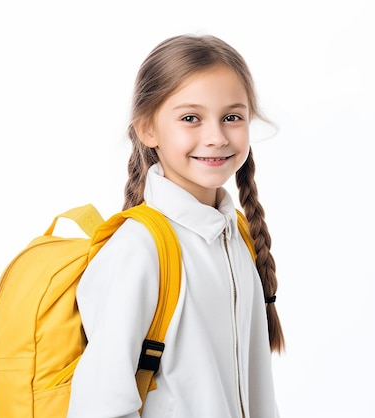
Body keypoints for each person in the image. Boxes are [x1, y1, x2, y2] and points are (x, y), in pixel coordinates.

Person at [67, 33, 284, 418]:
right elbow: (99, 405)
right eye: (190, 118)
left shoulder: (236, 236)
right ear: (147, 129)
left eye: (232, 117)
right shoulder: (137, 249)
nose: (216, 137)